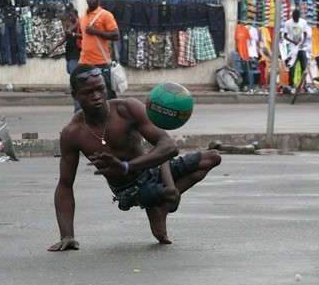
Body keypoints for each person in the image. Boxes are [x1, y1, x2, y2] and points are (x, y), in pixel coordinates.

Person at [48, 64, 222, 251]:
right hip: (128, 191)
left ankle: (160, 207)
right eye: (88, 92)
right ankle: (159, 200)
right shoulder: (72, 133)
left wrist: (128, 167)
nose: (96, 96)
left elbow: (168, 146)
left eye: (100, 89)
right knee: (163, 193)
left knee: (212, 158)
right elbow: (65, 186)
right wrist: (67, 235)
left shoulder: (127, 109)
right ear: (75, 95)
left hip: (150, 169)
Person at [79, 0, 119, 101]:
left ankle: (111, 117)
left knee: (108, 98)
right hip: (84, 63)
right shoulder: (82, 18)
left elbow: (116, 35)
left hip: (100, 64)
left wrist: (96, 31)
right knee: (83, 98)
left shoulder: (106, 15)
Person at [49, 9, 82, 112]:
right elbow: (64, 38)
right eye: (69, 16)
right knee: (69, 70)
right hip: (69, 52)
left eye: (72, 16)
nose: (70, 18)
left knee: (73, 72)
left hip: (77, 52)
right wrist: (54, 47)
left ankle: (78, 104)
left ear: (76, 16)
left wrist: (72, 34)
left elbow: (84, 36)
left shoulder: (80, 24)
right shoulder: (69, 25)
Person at [283, 9, 309, 92]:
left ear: (299, 17)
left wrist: (303, 42)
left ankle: (303, 85)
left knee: (304, 67)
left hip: (302, 49)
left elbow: (305, 34)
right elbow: (285, 35)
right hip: (293, 49)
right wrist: (292, 41)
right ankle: (291, 84)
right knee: (292, 67)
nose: (296, 19)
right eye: (294, 18)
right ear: (292, 16)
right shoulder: (288, 23)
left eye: (297, 18)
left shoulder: (303, 22)